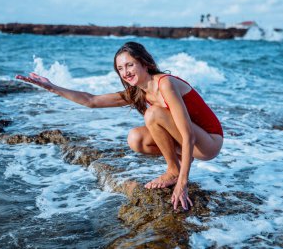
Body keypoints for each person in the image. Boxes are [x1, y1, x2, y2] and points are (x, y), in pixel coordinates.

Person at [15, 42, 223, 211]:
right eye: (120, 68)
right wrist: (52, 87)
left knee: (153, 113)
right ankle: (176, 168)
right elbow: (91, 100)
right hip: (193, 138)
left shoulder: (165, 84)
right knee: (136, 138)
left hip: (209, 143)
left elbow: (187, 135)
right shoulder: (138, 91)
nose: (125, 72)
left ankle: (173, 171)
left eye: (130, 65)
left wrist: (182, 184)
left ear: (144, 63)